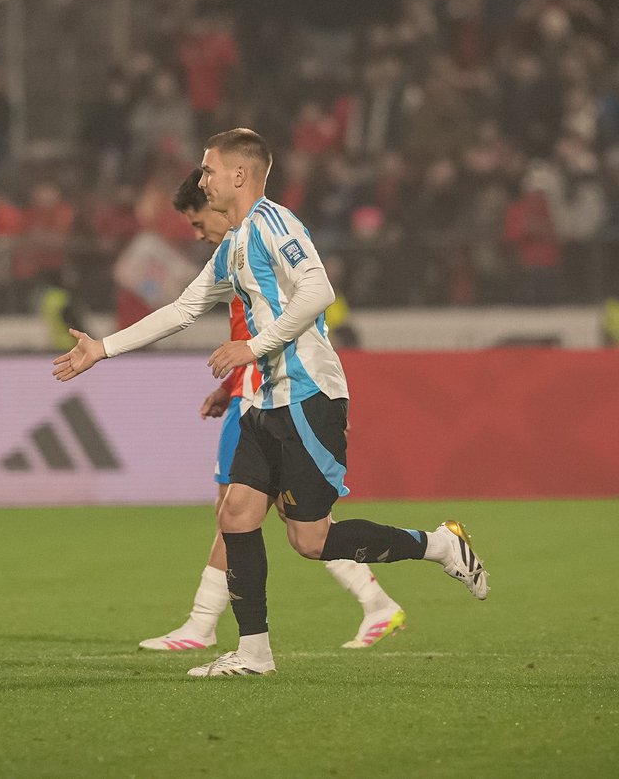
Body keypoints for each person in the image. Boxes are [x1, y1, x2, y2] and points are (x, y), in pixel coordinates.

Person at [54, 129, 488, 678]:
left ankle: (439, 546)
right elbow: (184, 308)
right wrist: (104, 347)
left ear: (239, 175)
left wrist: (252, 346)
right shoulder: (233, 242)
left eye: (208, 169)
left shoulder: (273, 223)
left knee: (312, 540)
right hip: (264, 399)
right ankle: (254, 652)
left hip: (308, 398)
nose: (202, 178)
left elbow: (319, 290)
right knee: (236, 514)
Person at [137, 170, 405, 653]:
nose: (199, 235)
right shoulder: (235, 258)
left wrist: (248, 380)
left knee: (240, 512)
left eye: (199, 223)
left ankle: (203, 625)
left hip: (276, 396)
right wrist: (231, 385)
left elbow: (297, 315)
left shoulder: (257, 241)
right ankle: (375, 601)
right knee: (287, 519)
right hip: (252, 390)